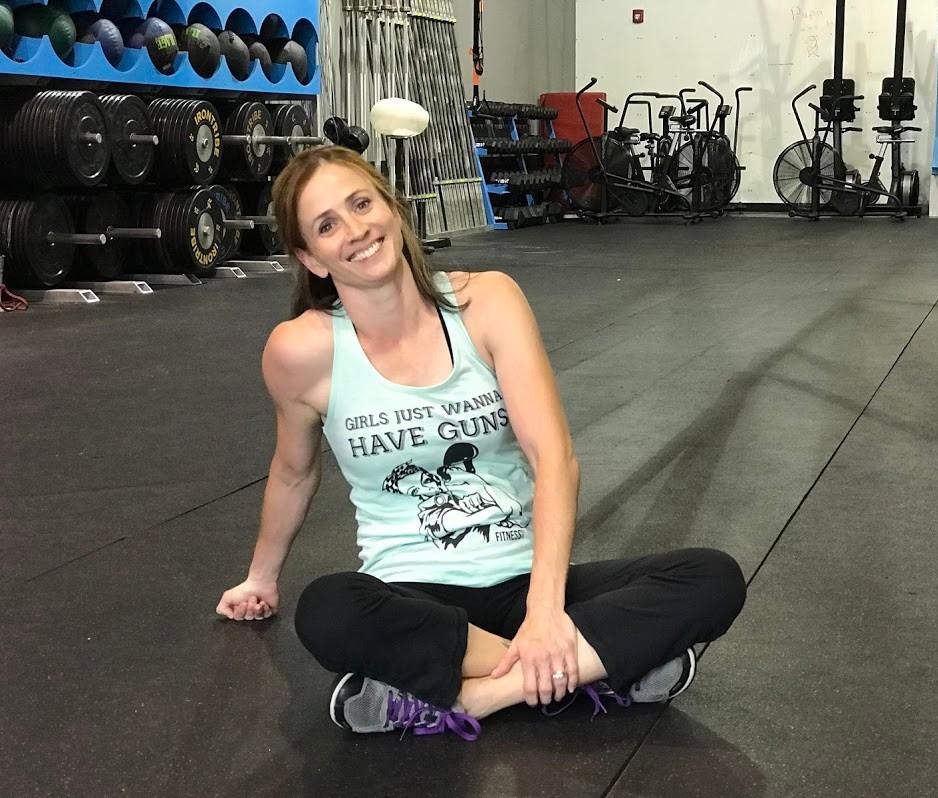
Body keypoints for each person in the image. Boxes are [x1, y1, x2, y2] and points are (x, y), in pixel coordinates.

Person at [215, 145, 746, 741]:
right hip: (411, 594)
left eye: (361, 204)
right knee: (327, 610)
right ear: (310, 258)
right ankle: (589, 669)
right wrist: (261, 579)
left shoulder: (488, 302)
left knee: (712, 577)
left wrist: (544, 613)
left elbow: (553, 458)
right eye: (327, 225)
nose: (356, 230)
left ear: (392, 207)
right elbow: (293, 472)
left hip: (527, 581)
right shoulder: (300, 351)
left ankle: (478, 696)